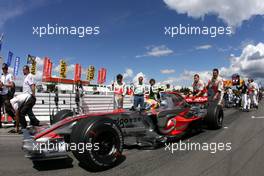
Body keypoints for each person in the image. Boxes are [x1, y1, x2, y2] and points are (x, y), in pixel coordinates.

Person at [0, 63, 15, 128]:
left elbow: (12, 85)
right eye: (2, 69)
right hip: (1, 93)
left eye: (4, 69)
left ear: (7, 69)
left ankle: (15, 119)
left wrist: (4, 85)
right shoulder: (2, 76)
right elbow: (1, 84)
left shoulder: (10, 75)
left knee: (7, 109)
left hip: (7, 94)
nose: (3, 70)